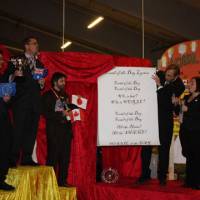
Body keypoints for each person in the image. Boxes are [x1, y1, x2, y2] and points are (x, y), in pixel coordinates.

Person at [136, 64, 185, 186]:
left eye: (169, 76)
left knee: (164, 149)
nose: (166, 76)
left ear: (176, 76)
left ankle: (162, 176)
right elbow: (146, 79)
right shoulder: (161, 75)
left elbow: (165, 99)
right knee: (146, 147)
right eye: (166, 73)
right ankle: (144, 175)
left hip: (165, 121)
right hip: (150, 118)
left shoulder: (180, 86)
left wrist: (159, 86)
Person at [3, 37, 45, 167]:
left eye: (37, 43)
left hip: (35, 103)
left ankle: (27, 157)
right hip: (20, 102)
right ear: (26, 46)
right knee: (18, 130)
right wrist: (14, 75)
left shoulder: (40, 64)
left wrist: (42, 84)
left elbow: (40, 85)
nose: (37, 45)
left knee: (31, 131)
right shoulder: (17, 59)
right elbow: (6, 77)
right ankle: (12, 158)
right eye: (34, 43)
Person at [42, 72, 76, 187]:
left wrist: (72, 111)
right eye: (62, 81)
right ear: (55, 82)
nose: (64, 83)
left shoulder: (65, 95)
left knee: (65, 158)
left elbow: (66, 111)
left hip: (66, 132)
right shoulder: (47, 95)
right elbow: (45, 113)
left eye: (64, 81)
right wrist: (61, 114)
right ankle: (48, 183)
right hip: (54, 132)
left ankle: (62, 182)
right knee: (53, 157)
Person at [178, 77, 200, 189]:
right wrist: (176, 105)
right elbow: (180, 112)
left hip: (196, 133)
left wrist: (189, 110)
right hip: (185, 132)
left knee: (197, 157)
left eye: (192, 83)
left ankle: (197, 183)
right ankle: (189, 181)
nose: (190, 85)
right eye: (190, 83)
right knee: (189, 157)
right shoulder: (186, 97)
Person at [0, 50, 15, 190]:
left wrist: (7, 99)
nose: (1, 62)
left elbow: (8, 101)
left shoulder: (3, 77)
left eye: (1, 60)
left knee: (5, 147)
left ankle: (1, 179)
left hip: (3, 117)